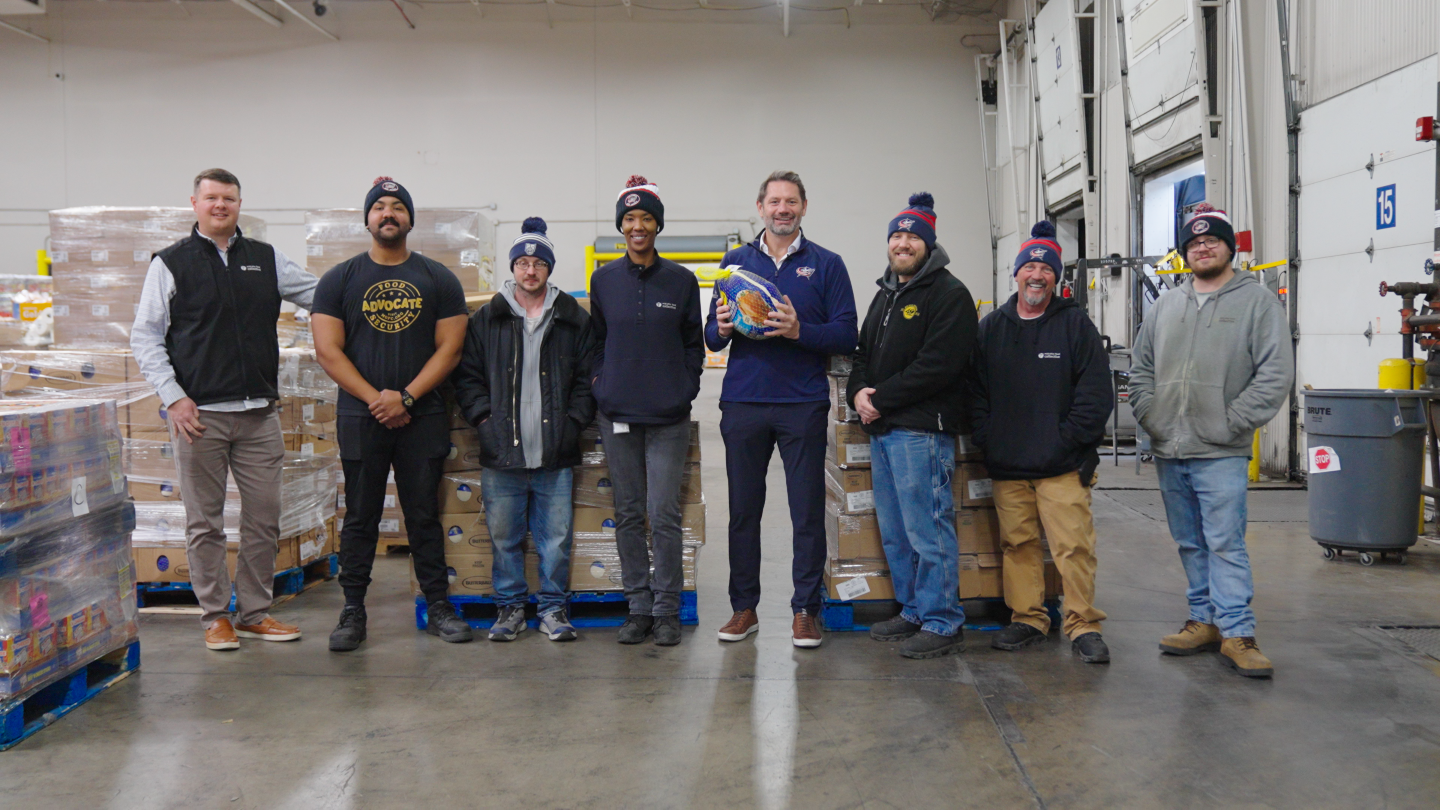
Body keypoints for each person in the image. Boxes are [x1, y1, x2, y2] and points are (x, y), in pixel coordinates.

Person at [132, 168, 316, 652]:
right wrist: (173, 395)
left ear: (240, 205)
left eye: (229, 199)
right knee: (204, 523)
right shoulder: (170, 263)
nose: (220, 206)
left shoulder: (266, 259)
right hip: (199, 418)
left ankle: (255, 612)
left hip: (259, 414)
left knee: (264, 518)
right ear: (193, 203)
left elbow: (322, 295)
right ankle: (215, 616)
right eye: (211, 198)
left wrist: (371, 291)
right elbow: (145, 335)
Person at [1130, 204, 1293, 678]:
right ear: (1185, 253)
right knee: (1189, 542)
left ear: (1229, 247)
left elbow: (1275, 374)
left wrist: (1231, 422)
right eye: (1194, 243)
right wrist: (1149, 414)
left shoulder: (1257, 302)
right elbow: (1141, 369)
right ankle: (1204, 621)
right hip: (1169, 446)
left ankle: (1238, 632)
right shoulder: (1166, 305)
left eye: (1212, 240)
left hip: (1220, 450)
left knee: (1225, 543)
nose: (1203, 247)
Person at [311, 177, 473, 651]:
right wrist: (377, 399)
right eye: (379, 206)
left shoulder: (438, 278)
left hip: (421, 417)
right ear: (367, 220)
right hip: (362, 418)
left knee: (423, 514)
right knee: (360, 517)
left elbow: (451, 349)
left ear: (409, 219)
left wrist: (405, 398)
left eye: (397, 207)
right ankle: (352, 610)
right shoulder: (338, 279)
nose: (388, 213)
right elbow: (328, 350)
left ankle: (438, 604)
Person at [705, 171, 857, 649]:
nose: (782, 209)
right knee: (744, 513)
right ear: (760, 207)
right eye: (774, 202)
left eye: (791, 201)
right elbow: (710, 337)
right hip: (744, 402)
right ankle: (743, 608)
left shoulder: (827, 265)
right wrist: (724, 328)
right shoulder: (734, 263)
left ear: (804, 208)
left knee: (806, 513)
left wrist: (799, 331)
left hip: (803, 404)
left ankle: (804, 611)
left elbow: (847, 335)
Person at [971, 222, 1114, 664]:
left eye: (1046, 268)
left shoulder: (1075, 326)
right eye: (1029, 266)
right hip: (1009, 465)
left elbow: (1096, 396)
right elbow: (975, 393)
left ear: (1057, 278)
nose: (1037, 275)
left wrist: (1065, 442)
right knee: (1019, 546)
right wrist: (990, 440)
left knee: (1073, 548)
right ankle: (1028, 618)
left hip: (1062, 466)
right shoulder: (991, 327)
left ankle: (1082, 624)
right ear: (1015, 274)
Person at [453, 217, 595, 643]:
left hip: (555, 452)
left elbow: (589, 380)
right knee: (504, 537)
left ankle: (553, 610)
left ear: (549, 268)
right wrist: (484, 422)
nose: (530, 270)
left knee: (555, 539)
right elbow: (468, 378)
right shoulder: (488, 319)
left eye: (538, 263)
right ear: (512, 268)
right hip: (503, 452)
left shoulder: (572, 318)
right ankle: (510, 609)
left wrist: (572, 425)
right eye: (523, 263)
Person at [847, 194, 977, 660]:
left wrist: (878, 400)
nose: (903, 243)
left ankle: (943, 620)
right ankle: (914, 610)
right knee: (898, 530)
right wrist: (857, 393)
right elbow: (862, 355)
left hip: (920, 432)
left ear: (928, 243)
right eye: (896, 235)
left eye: (912, 236)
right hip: (884, 430)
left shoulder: (949, 295)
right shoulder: (885, 293)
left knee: (928, 528)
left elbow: (937, 367)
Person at [588, 175, 704, 647]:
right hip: (616, 414)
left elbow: (694, 344)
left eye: (647, 218)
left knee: (664, 513)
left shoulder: (681, 280)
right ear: (622, 227)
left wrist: (685, 387)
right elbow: (595, 342)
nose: (638, 226)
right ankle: (637, 607)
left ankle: (667, 608)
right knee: (630, 512)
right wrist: (601, 384)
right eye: (630, 219)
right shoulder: (604, 280)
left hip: (667, 417)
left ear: (658, 226)